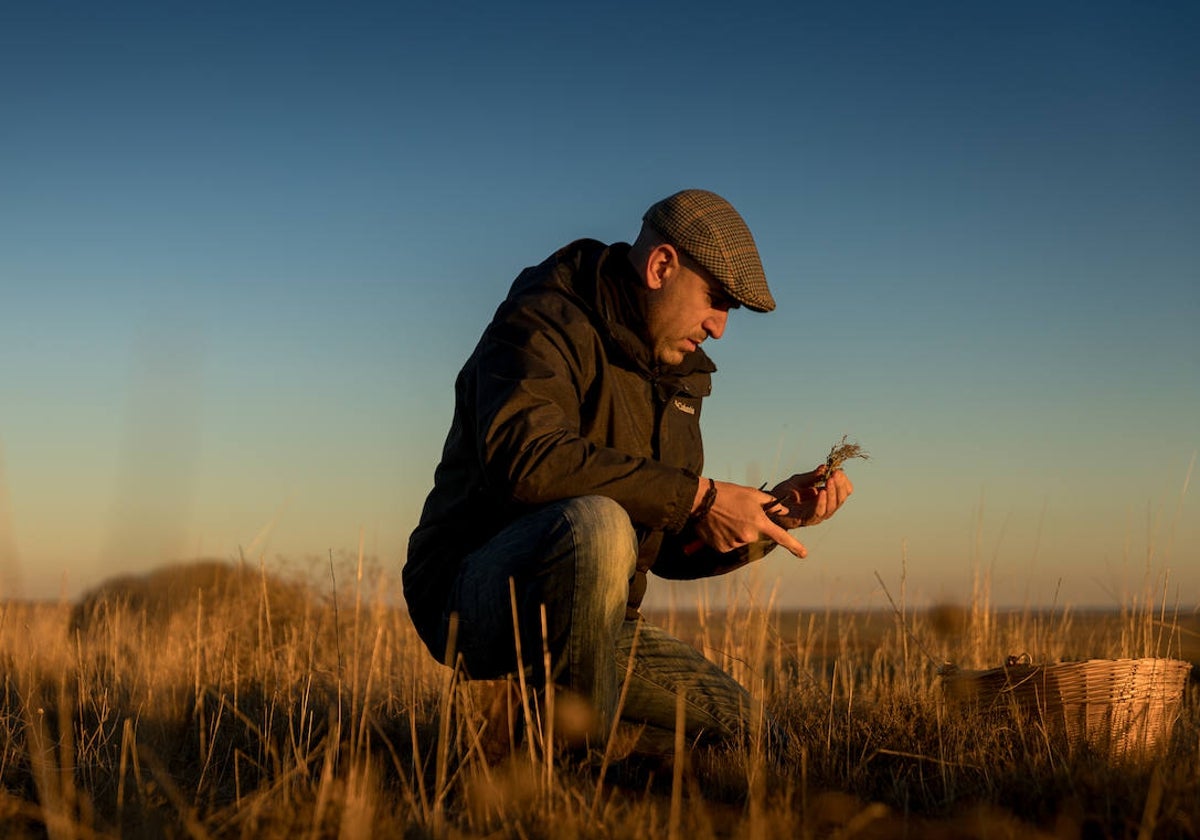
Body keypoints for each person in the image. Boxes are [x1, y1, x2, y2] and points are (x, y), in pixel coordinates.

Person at [403, 189, 853, 755]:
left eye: (729, 312)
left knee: (764, 745)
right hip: (472, 594)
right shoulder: (541, 319)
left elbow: (661, 546)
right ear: (662, 265)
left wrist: (770, 517)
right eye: (715, 300)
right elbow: (530, 460)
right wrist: (702, 496)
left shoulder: (681, 374)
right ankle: (569, 772)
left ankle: (537, 738)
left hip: (601, 627)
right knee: (597, 524)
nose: (720, 328)